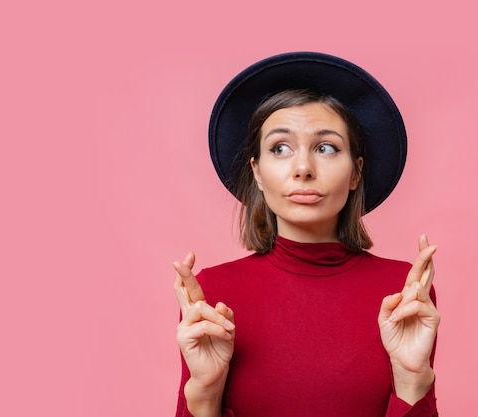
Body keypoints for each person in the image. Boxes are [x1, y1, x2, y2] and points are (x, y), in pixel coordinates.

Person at [173, 52, 440, 417]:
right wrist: (204, 393)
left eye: (326, 148)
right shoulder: (212, 296)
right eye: (280, 149)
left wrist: (413, 379)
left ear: (355, 173)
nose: (302, 168)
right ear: (258, 173)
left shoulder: (402, 293)